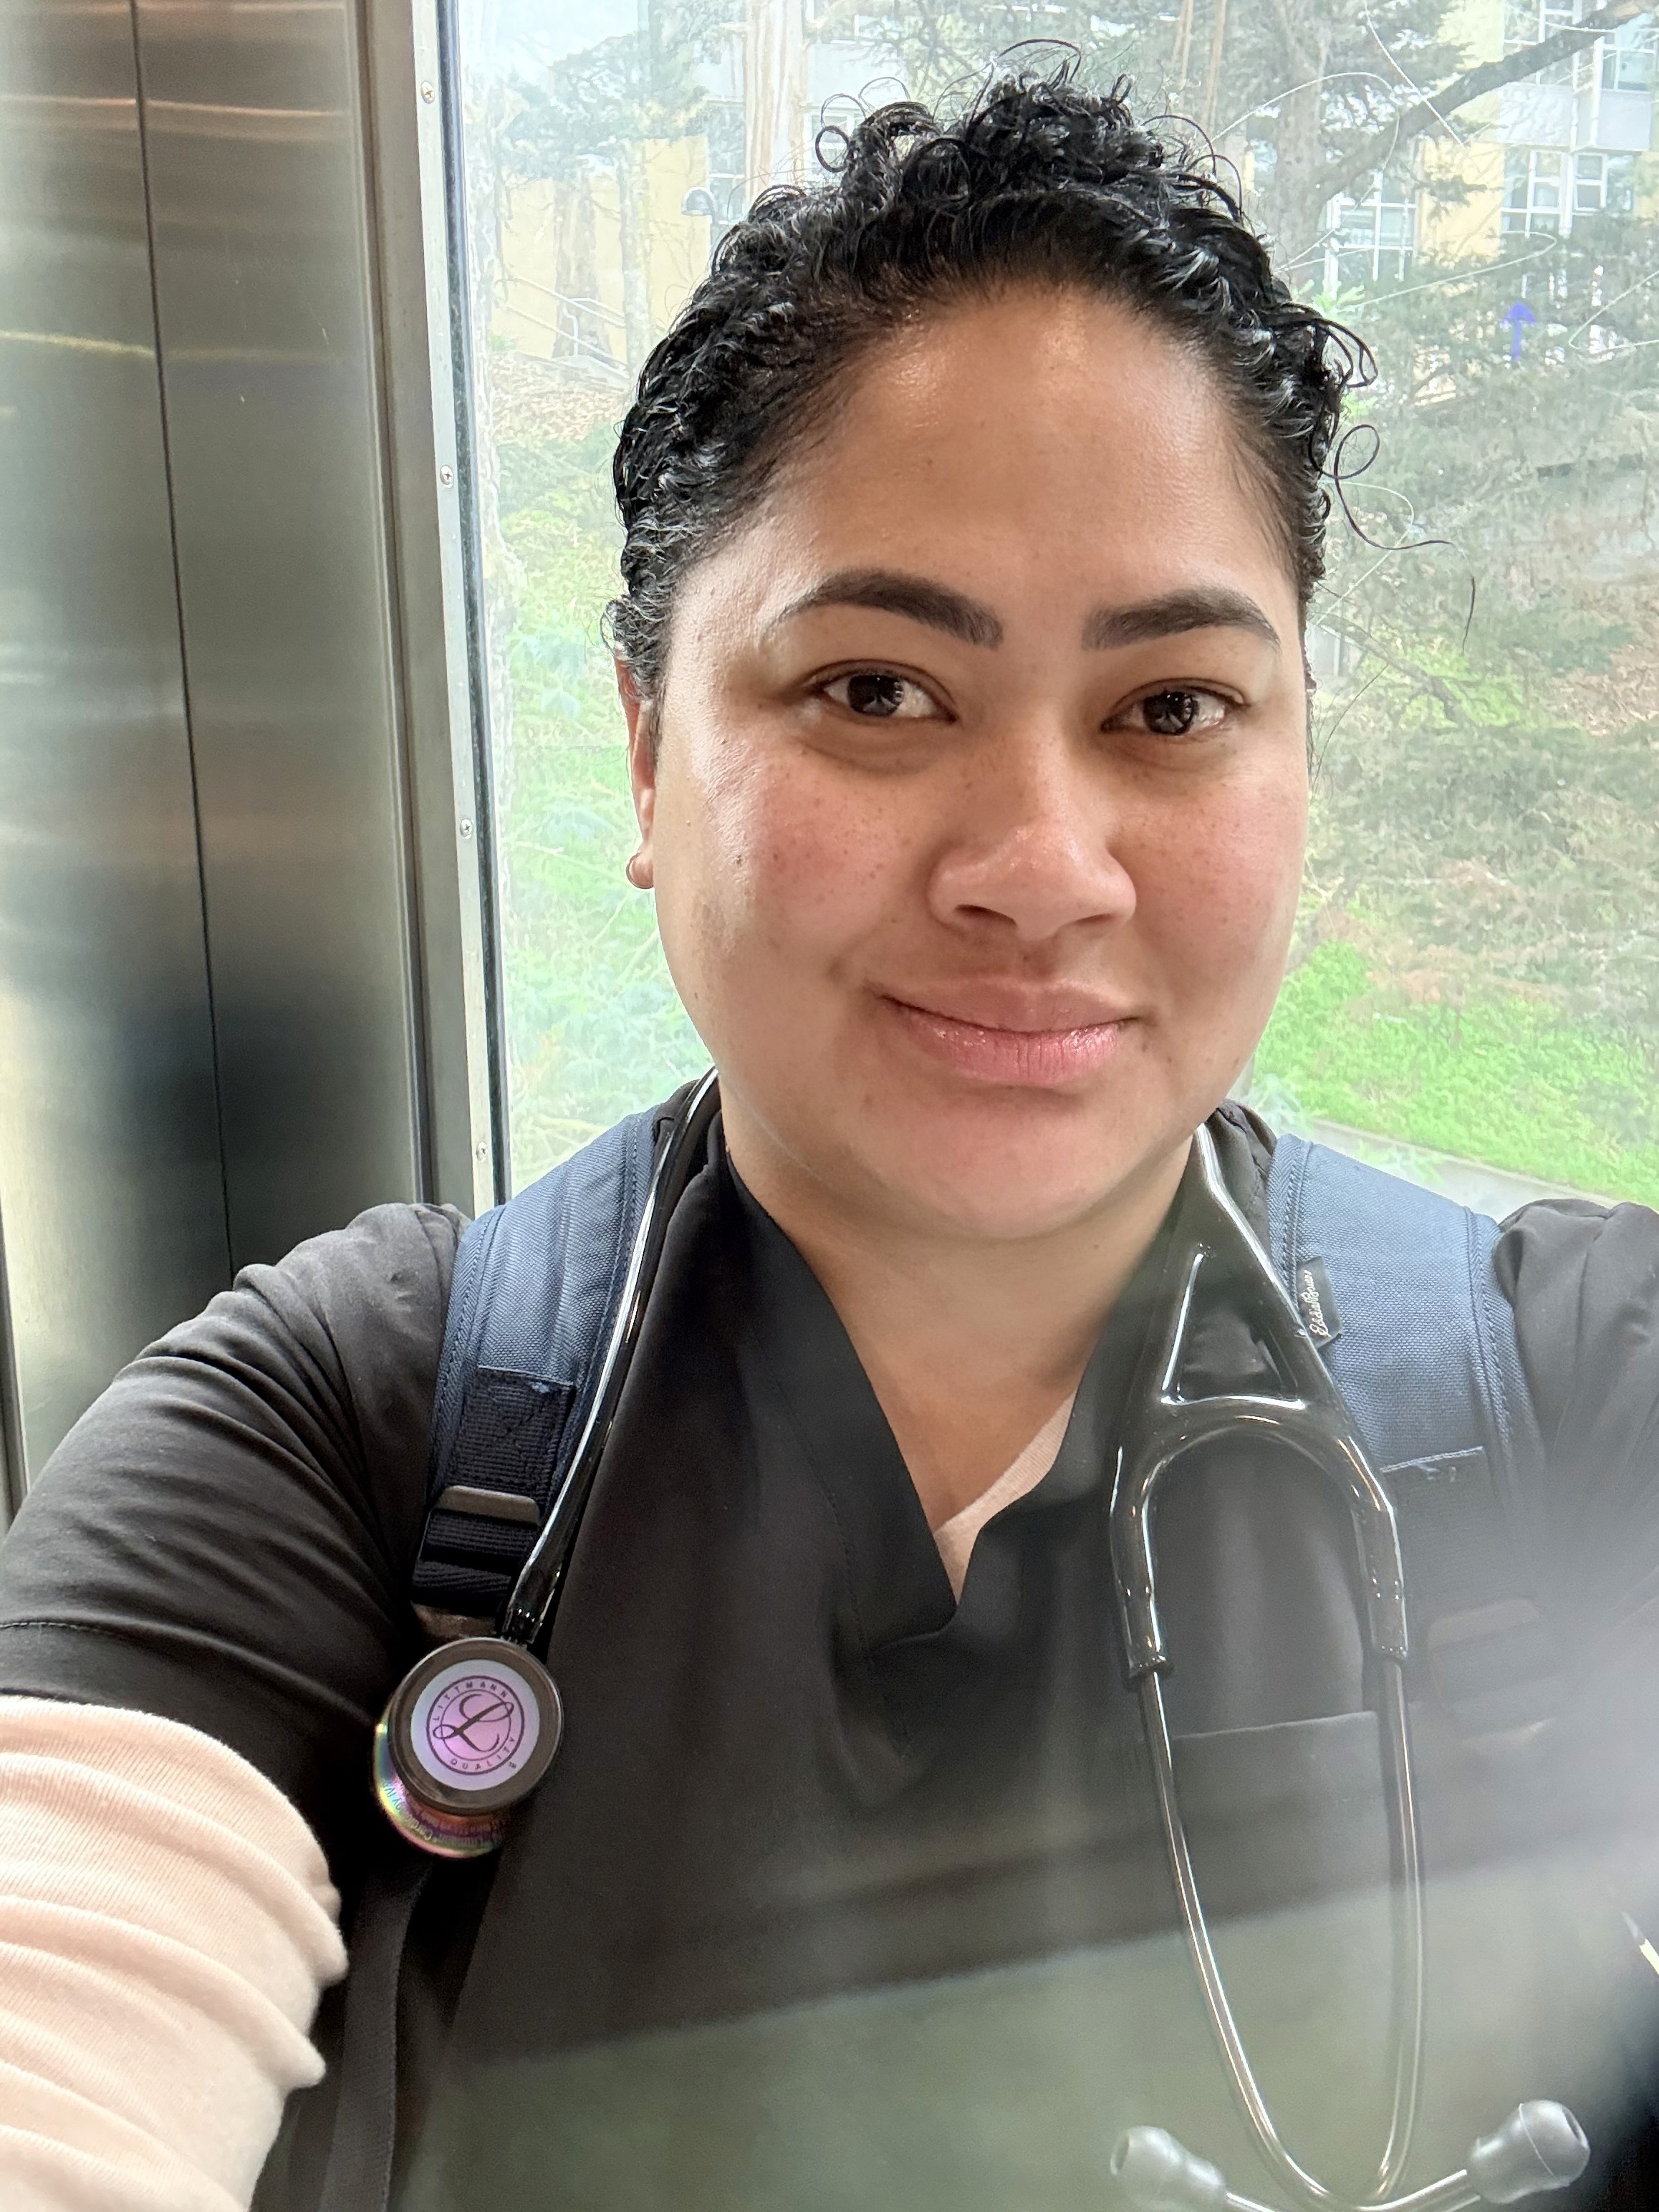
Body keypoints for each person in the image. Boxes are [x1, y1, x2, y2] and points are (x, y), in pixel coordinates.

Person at [2, 64, 1659, 2212]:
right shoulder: (331, 1441)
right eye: (875, 690)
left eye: (1170, 708)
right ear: (643, 748)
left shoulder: (1577, 1391)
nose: (1040, 870)